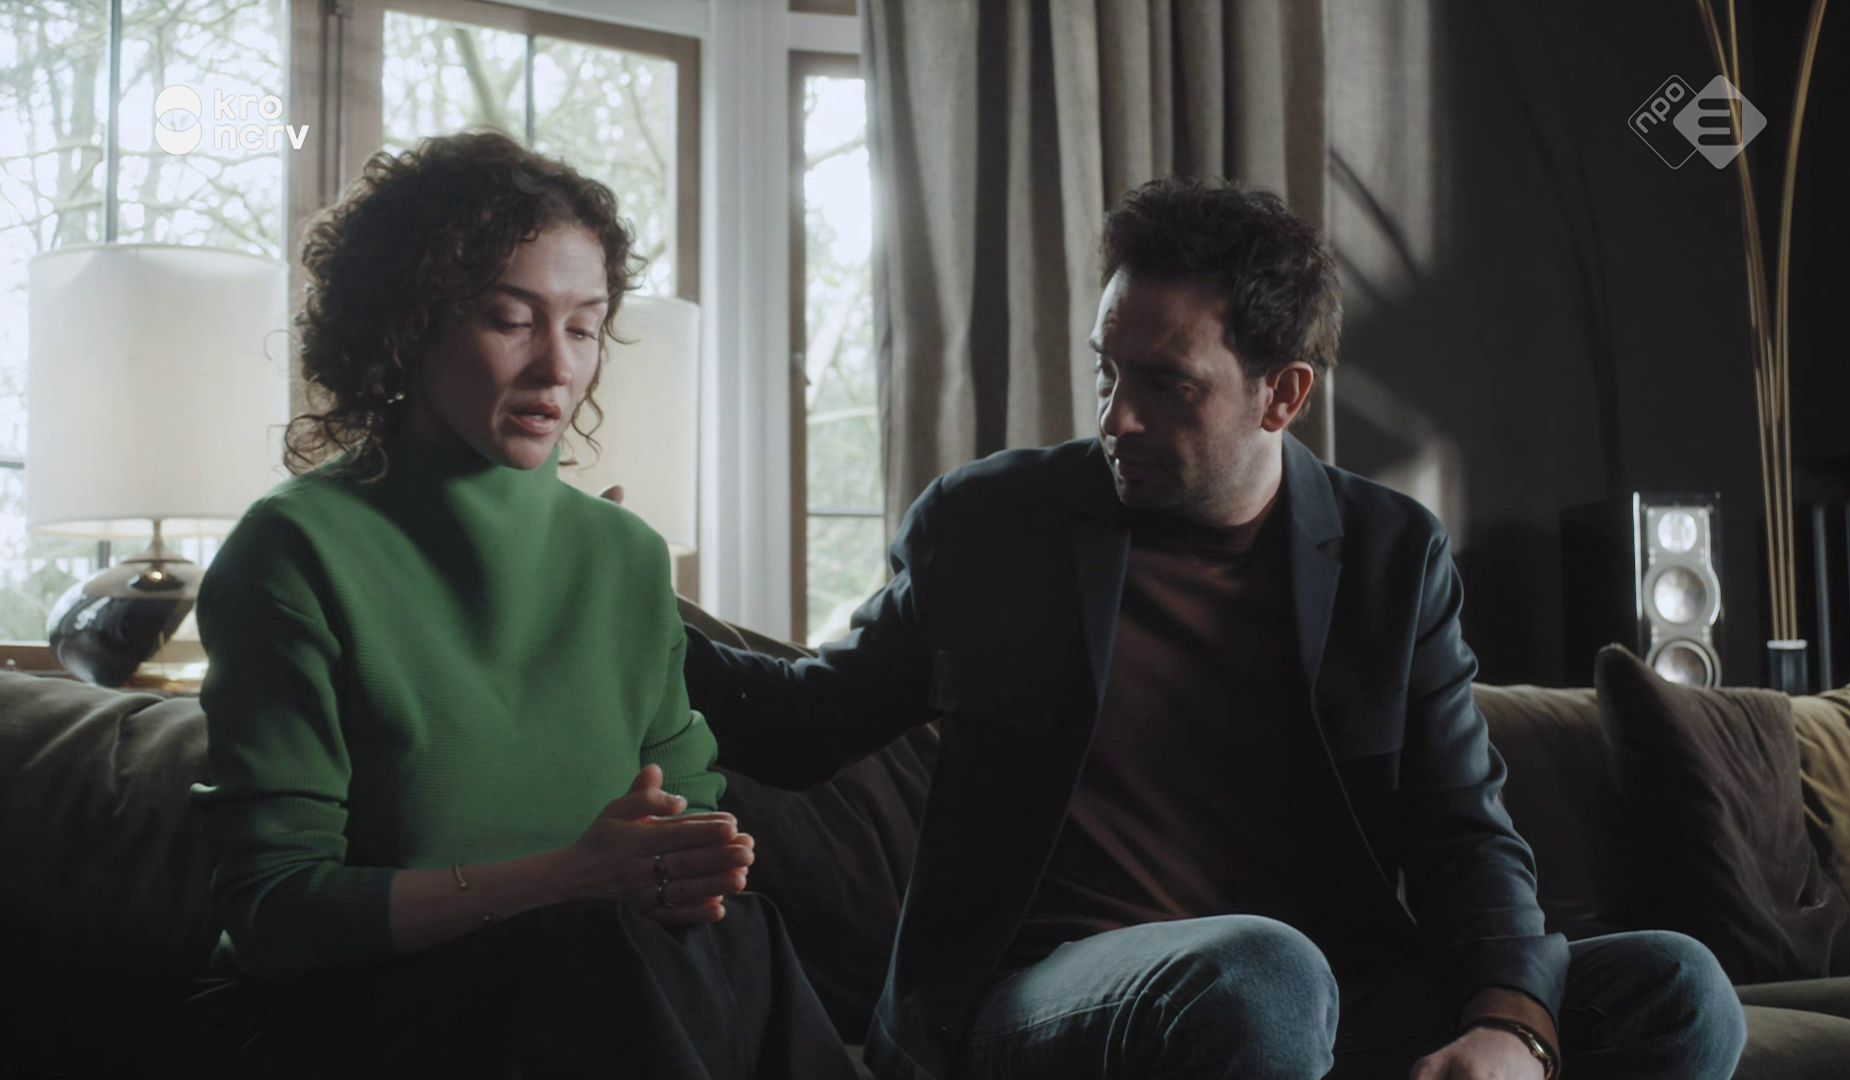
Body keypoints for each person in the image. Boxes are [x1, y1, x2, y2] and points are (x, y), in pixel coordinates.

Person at [682, 177, 1749, 1080]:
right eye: (1107, 371)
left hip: (1324, 996)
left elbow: (1462, 828)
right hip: (1039, 1000)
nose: (1117, 417)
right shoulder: (995, 524)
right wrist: (614, 585)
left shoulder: (1389, 555)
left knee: (1677, 985)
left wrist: (1512, 1026)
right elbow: (804, 723)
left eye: (1166, 386)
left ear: (1282, 395)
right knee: (1261, 972)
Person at [184, 130, 856, 1080]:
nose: (558, 369)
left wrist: (680, 872)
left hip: (593, 999)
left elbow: (683, 834)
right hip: (341, 1014)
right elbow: (275, 912)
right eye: (512, 319)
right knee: (593, 951)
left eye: (584, 328)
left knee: (739, 939)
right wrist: (569, 877)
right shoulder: (294, 550)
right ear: (406, 325)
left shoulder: (624, 558)